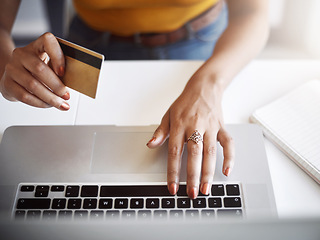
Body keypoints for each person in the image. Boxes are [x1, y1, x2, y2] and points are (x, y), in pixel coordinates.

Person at [0, 0, 269, 199]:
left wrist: (209, 85)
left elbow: (252, 12)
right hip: (92, 47)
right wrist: (7, 69)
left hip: (203, 43)